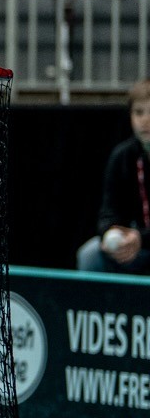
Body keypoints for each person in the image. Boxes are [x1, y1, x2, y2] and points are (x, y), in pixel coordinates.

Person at [77, 80, 150, 274]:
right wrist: (110, 231)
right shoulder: (122, 156)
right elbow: (108, 212)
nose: (145, 120)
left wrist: (142, 238)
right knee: (90, 255)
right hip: (135, 247)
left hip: (142, 240)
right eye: (139, 112)